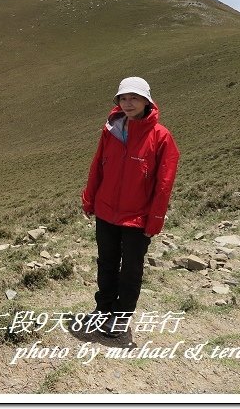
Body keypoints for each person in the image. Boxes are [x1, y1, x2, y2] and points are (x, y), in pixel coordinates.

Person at [79, 77, 180, 338]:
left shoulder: (161, 137)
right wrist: (89, 199)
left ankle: (121, 317)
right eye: (123, 98)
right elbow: (97, 166)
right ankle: (103, 309)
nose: (128, 103)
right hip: (106, 210)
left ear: (147, 100)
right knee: (107, 263)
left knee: (131, 268)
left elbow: (164, 183)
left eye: (134, 98)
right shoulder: (110, 130)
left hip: (137, 217)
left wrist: (155, 219)